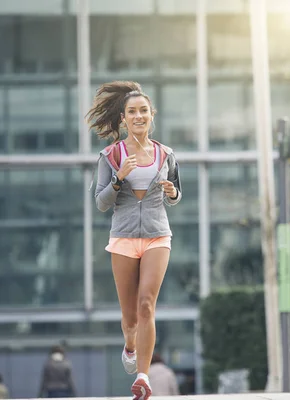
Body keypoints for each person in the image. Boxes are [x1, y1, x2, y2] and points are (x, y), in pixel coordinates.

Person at [88, 81, 182, 400]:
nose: (138, 116)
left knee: (146, 305)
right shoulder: (111, 155)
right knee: (130, 320)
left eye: (143, 110)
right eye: (132, 112)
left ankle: (143, 378)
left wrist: (172, 193)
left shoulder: (166, 153)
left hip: (158, 235)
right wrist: (118, 179)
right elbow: (101, 202)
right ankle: (130, 345)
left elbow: (176, 193)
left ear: (151, 115)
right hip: (124, 239)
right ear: (123, 120)